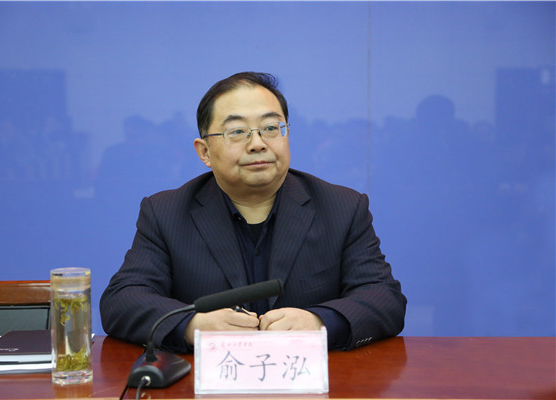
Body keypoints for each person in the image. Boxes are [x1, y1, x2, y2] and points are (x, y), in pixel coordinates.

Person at [100, 72, 406, 353]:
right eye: (237, 131)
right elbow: (122, 300)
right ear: (204, 152)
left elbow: (385, 298)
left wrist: (319, 322)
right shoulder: (166, 212)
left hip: (310, 380)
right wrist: (193, 325)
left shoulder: (342, 207)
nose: (258, 144)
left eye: (271, 128)